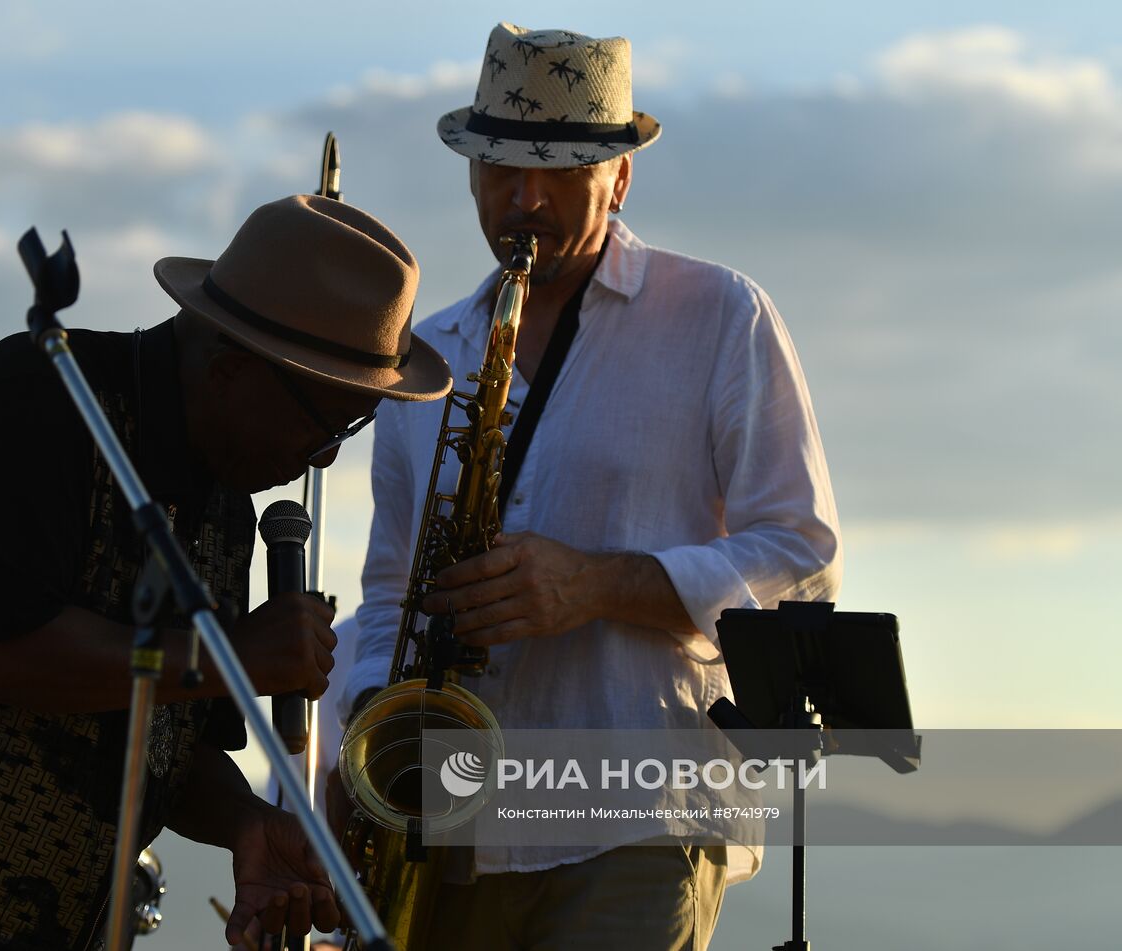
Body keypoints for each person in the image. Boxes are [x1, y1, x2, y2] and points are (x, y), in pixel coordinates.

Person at [0, 195, 453, 950]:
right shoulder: (39, 403)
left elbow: (172, 738)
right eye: (327, 422)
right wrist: (228, 656)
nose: (327, 454)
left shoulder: (226, 500)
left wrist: (248, 823)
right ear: (235, 369)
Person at [340, 23, 842, 951]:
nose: (525, 198)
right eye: (499, 168)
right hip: (448, 826)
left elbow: (802, 560)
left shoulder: (722, 315)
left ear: (621, 176)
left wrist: (596, 585)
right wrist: (364, 749)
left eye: (562, 171)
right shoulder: (429, 357)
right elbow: (386, 596)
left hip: (636, 814)